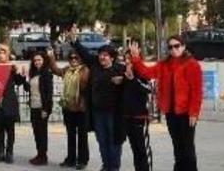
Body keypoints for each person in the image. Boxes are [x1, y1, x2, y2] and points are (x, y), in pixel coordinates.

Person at [130, 37, 202, 171]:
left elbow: (196, 91)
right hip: (171, 112)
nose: (174, 49)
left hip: (186, 113)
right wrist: (136, 58)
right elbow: (147, 73)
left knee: (187, 149)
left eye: (177, 46)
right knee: (177, 147)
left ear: (183, 46)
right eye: (170, 47)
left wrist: (194, 112)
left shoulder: (192, 64)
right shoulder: (164, 64)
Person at [74, 37, 124, 171]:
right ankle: (106, 165)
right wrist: (74, 40)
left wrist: (123, 80)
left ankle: (114, 167)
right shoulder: (95, 66)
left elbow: (134, 80)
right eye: (101, 55)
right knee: (102, 140)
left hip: (113, 113)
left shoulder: (120, 69)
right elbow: (84, 53)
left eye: (105, 55)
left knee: (114, 141)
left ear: (112, 58)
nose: (102, 57)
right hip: (97, 112)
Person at [47, 47, 90, 169]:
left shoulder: (85, 70)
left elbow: (84, 84)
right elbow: (55, 70)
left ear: (80, 59)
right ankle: (70, 159)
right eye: (71, 57)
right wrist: (51, 57)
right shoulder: (67, 70)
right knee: (70, 135)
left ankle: (82, 160)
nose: (74, 59)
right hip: (68, 106)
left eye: (76, 57)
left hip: (81, 107)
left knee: (82, 136)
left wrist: (76, 76)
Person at [0, 43, 26, 164]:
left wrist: (20, 73)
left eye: (4, 52)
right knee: (0, 130)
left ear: (7, 54)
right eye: (0, 52)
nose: (2, 55)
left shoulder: (11, 67)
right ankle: (1, 153)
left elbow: (19, 82)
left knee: (10, 130)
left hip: (9, 102)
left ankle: (9, 153)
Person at [119, 50, 153, 171]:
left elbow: (148, 89)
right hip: (127, 117)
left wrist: (133, 78)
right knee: (135, 150)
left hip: (139, 118)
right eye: (126, 58)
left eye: (130, 58)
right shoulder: (124, 73)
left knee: (142, 149)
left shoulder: (142, 72)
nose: (128, 61)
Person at [26, 52, 54, 166]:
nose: (37, 62)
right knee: (36, 132)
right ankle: (39, 154)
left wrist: (46, 109)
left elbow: (48, 93)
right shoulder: (33, 73)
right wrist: (25, 79)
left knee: (42, 133)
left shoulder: (46, 74)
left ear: (44, 61)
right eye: (35, 60)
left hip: (42, 107)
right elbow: (28, 89)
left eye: (39, 60)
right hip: (33, 106)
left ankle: (43, 156)